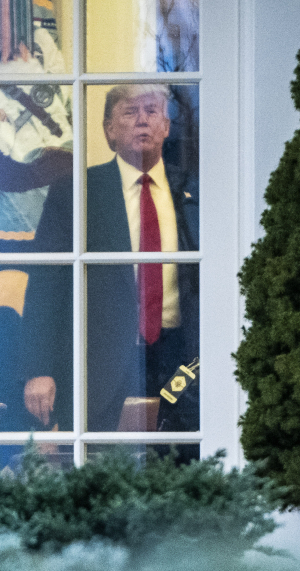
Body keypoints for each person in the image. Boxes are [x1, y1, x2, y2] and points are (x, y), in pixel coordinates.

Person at [21, 83, 199, 433]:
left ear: (166, 126)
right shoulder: (76, 193)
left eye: (151, 112)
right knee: (101, 476)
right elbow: (46, 284)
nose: (142, 122)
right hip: (100, 366)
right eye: (130, 113)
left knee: (184, 473)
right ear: (109, 129)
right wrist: (39, 368)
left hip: (181, 361)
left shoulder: (195, 192)